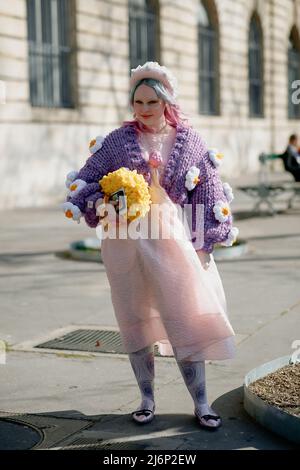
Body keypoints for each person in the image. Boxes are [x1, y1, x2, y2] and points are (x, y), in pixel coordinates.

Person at [62, 62, 239, 430]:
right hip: (125, 242)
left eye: (152, 102)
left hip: (172, 239)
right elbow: (86, 181)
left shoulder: (188, 141)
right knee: (135, 317)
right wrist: (108, 201)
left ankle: (201, 401)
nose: (143, 109)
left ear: (166, 103)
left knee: (185, 315)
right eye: (138, 101)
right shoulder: (115, 142)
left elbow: (208, 190)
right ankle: (146, 397)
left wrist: (206, 240)